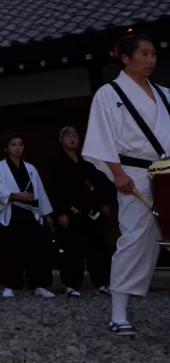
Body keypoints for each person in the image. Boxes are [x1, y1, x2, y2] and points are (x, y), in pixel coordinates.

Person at [82, 33, 170, 337]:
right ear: (125, 58)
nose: (150, 60)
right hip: (135, 175)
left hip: (167, 173)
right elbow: (101, 137)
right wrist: (117, 173)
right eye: (144, 54)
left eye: (153, 54)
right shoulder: (109, 93)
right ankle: (119, 314)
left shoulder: (165, 94)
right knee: (135, 241)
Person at [47, 126, 115, 298]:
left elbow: (103, 185)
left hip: (90, 212)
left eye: (74, 135)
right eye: (68, 135)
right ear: (61, 140)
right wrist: (61, 212)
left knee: (97, 249)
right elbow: (53, 190)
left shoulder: (86, 165)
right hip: (69, 213)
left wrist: (101, 203)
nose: (72, 138)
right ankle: (72, 285)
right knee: (71, 250)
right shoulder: (56, 163)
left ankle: (101, 282)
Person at [0, 134, 56, 298]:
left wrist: (46, 213)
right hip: (12, 211)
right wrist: (17, 195)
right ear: (6, 149)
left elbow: (40, 190)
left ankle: (39, 285)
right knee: (11, 250)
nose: (17, 147)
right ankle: (9, 286)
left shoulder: (31, 168)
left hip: (30, 213)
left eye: (20, 144)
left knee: (36, 249)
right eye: (13, 145)